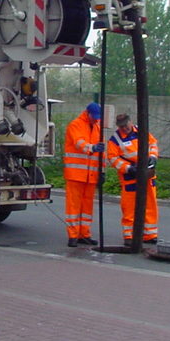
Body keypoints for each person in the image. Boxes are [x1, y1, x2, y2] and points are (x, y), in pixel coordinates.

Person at [106, 113, 159, 246]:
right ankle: (129, 236)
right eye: (122, 127)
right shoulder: (115, 140)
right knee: (129, 208)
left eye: (126, 125)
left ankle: (150, 234)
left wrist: (153, 157)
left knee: (150, 205)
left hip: (147, 174)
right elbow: (113, 159)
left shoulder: (142, 132)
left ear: (130, 122)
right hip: (130, 177)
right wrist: (128, 168)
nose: (125, 128)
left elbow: (153, 144)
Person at [63, 102, 104, 247]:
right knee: (73, 206)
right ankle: (73, 235)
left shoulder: (98, 126)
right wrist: (92, 147)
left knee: (87, 207)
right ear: (88, 113)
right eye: (94, 117)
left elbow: (101, 154)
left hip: (91, 174)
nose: (96, 119)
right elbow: (79, 143)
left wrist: (102, 171)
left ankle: (84, 234)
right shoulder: (76, 125)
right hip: (76, 174)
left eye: (98, 117)